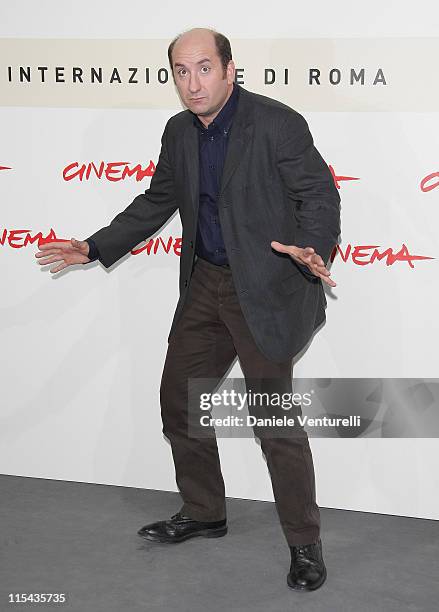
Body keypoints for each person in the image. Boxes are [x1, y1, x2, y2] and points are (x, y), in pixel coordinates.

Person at [35, 27, 341, 592]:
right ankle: (204, 511)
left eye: (204, 68)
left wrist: (313, 249)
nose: (193, 83)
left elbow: (319, 196)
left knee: (273, 420)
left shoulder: (277, 123)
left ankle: (304, 544)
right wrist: (93, 245)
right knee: (180, 400)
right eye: (181, 71)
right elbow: (157, 200)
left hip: (267, 286)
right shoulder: (178, 132)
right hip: (205, 283)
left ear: (229, 69)